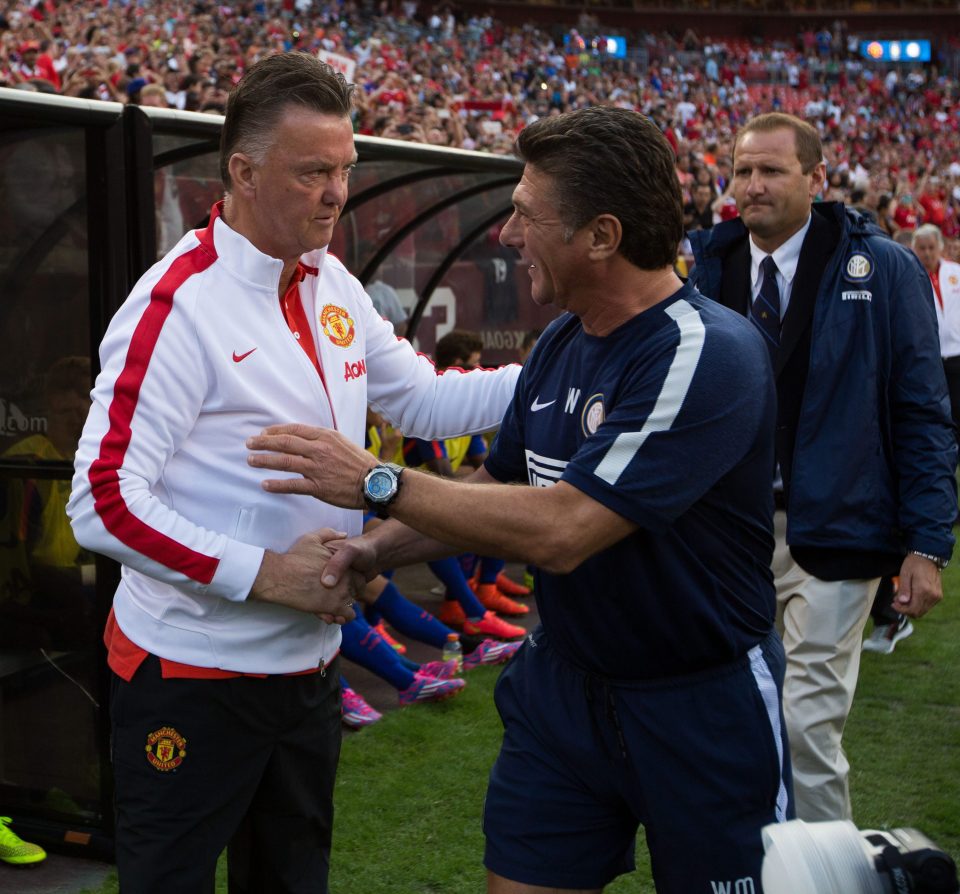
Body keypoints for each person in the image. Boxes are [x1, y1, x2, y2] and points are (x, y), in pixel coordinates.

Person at [248, 106, 792, 894]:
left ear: (601, 237)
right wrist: (370, 550)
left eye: (526, 216)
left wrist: (377, 481)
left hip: (699, 703)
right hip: (565, 689)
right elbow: (499, 485)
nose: (506, 235)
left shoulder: (705, 353)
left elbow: (566, 528)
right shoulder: (566, 341)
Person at [67, 52, 519, 894]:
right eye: (314, 171)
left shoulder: (329, 280)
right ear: (242, 171)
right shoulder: (177, 305)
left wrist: (568, 370)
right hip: (190, 680)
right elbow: (99, 501)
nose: (337, 193)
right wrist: (267, 574)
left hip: (306, 677)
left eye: (345, 169)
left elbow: (421, 401)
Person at [686, 112, 957, 822]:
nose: (752, 185)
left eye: (772, 170)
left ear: (819, 179)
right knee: (731, 725)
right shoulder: (701, 265)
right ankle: (751, 868)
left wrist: (926, 542)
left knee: (806, 727)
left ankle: (823, 875)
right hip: (723, 537)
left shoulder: (886, 267)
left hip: (836, 528)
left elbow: (922, 411)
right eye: (742, 171)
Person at [911, 223, 960, 453]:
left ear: (940, 247)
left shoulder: (955, 272)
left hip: (957, 352)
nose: (928, 253)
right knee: (940, 407)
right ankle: (944, 448)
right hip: (932, 355)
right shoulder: (909, 274)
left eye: (931, 247)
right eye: (922, 248)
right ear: (915, 249)